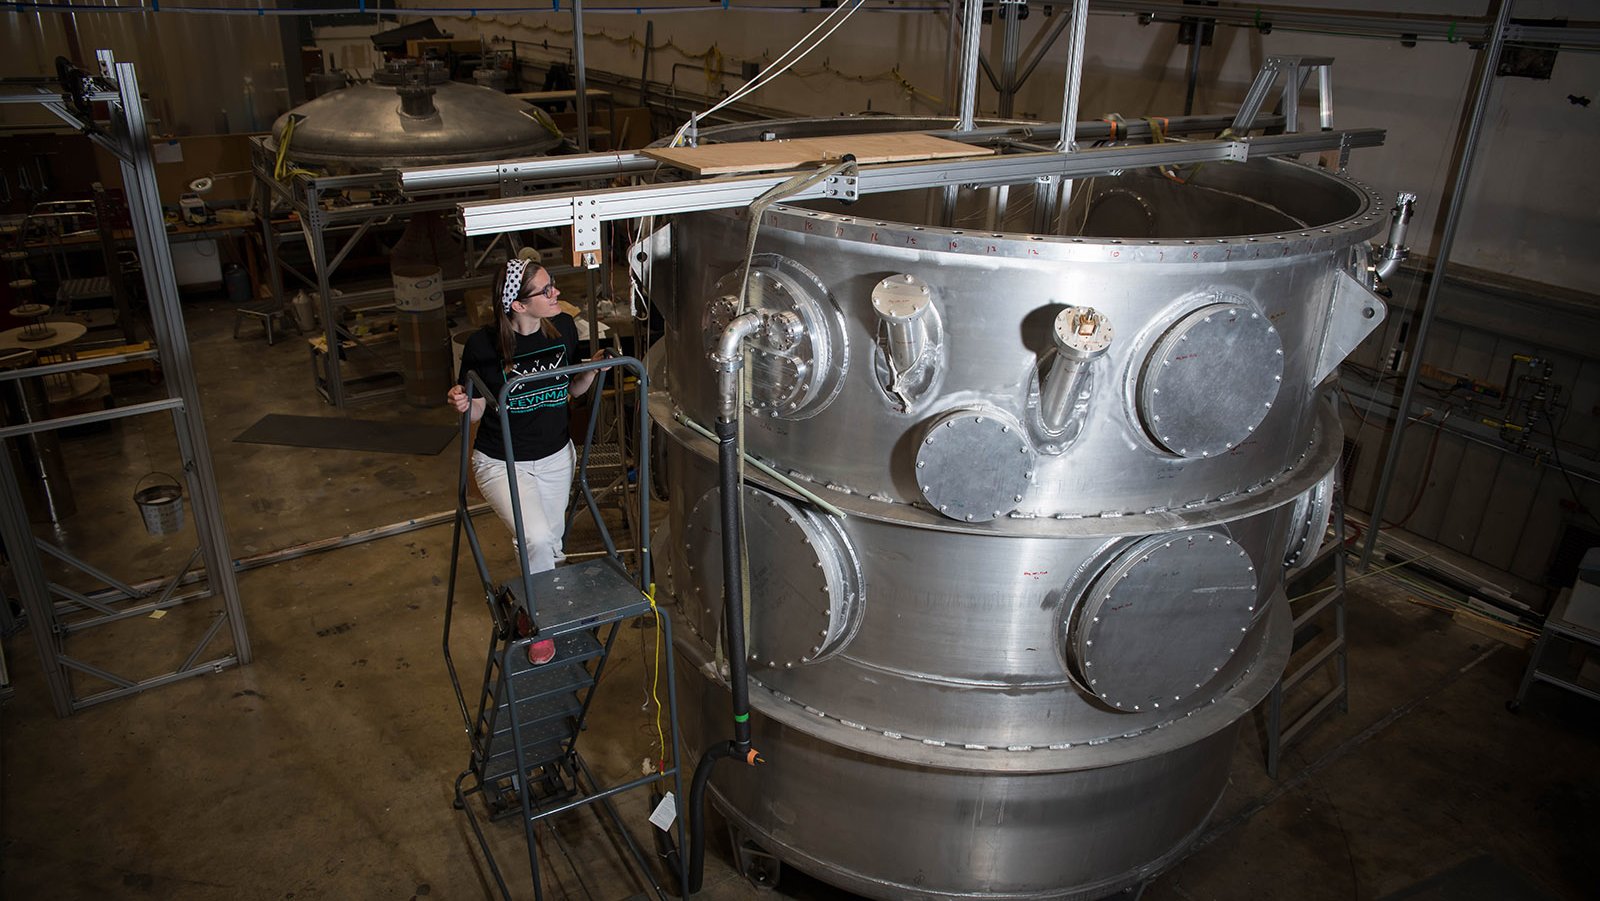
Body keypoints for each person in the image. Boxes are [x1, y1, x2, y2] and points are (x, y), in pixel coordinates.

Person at [447, 258, 606, 665]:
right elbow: (479, 409)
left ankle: (525, 608)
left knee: (549, 546)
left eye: (553, 285)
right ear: (517, 305)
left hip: (556, 455)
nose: (556, 293)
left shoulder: (565, 330)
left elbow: (568, 391)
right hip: (502, 461)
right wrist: (463, 404)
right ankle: (542, 622)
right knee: (535, 539)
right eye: (545, 290)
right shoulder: (484, 347)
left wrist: (590, 372)